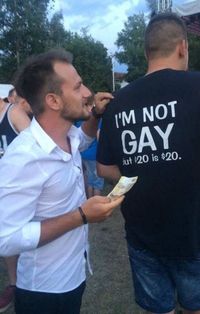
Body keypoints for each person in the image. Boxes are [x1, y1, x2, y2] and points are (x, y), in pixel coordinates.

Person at [97, 13, 200, 314]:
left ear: (147, 52)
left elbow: (105, 170)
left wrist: (143, 173)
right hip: (194, 234)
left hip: (142, 235)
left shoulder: (118, 103)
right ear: (183, 47)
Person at [0, 49, 124, 314]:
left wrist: (95, 116)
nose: (87, 92)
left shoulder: (68, 137)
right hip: (43, 291)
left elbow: (85, 140)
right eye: (78, 86)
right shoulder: (24, 157)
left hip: (74, 275)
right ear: (54, 100)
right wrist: (81, 215)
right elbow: (6, 238)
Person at [0, 93, 32, 313]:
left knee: (24, 239)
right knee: (6, 239)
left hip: (23, 190)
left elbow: (37, 148)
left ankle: (26, 286)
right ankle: (14, 284)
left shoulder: (14, 113)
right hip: (3, 190)